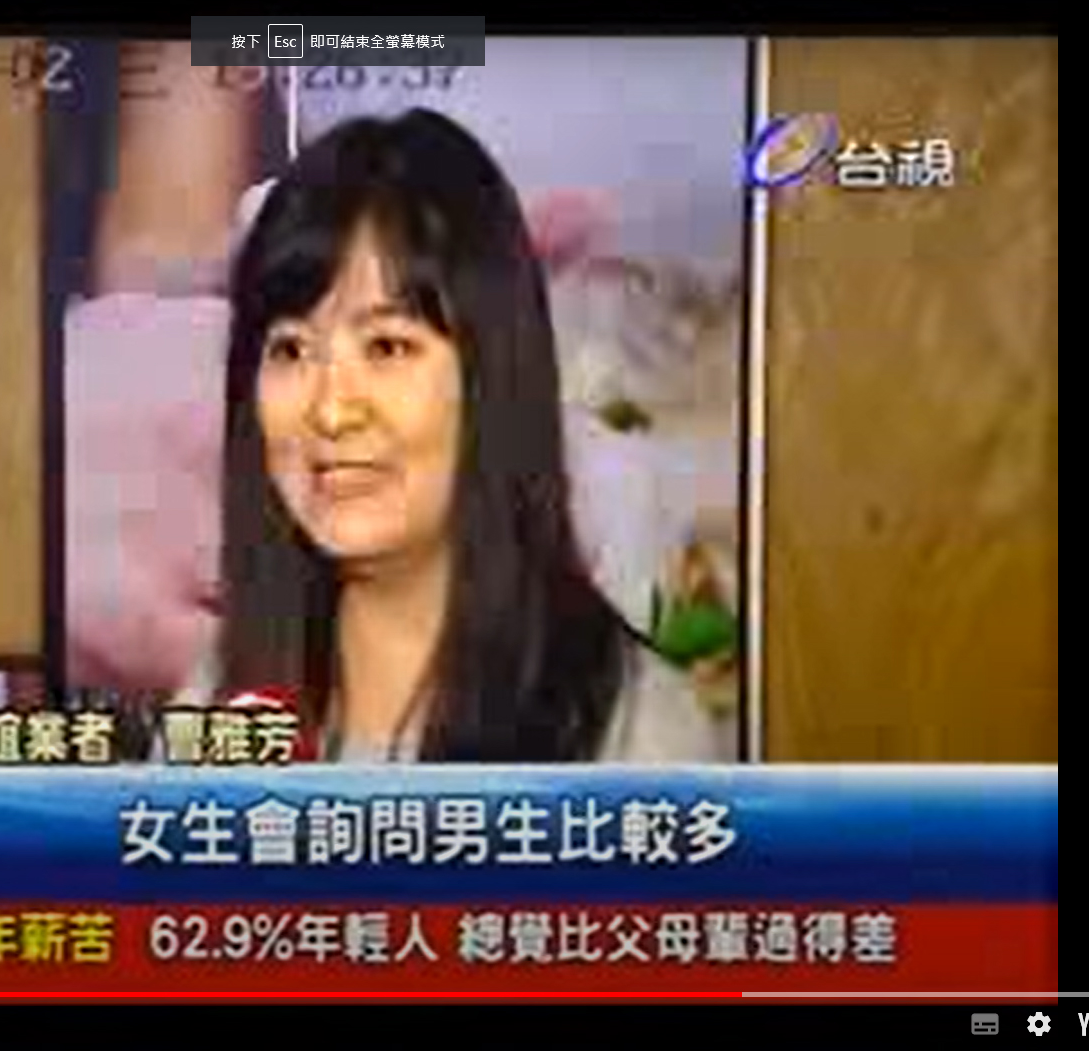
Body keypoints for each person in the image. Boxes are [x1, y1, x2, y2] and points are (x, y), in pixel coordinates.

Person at [194, 108, 718, 763]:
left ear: (491, 377)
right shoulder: (221, 697)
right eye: (291, 350)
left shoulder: (635, 733)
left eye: (386, 346)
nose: (331, 410)